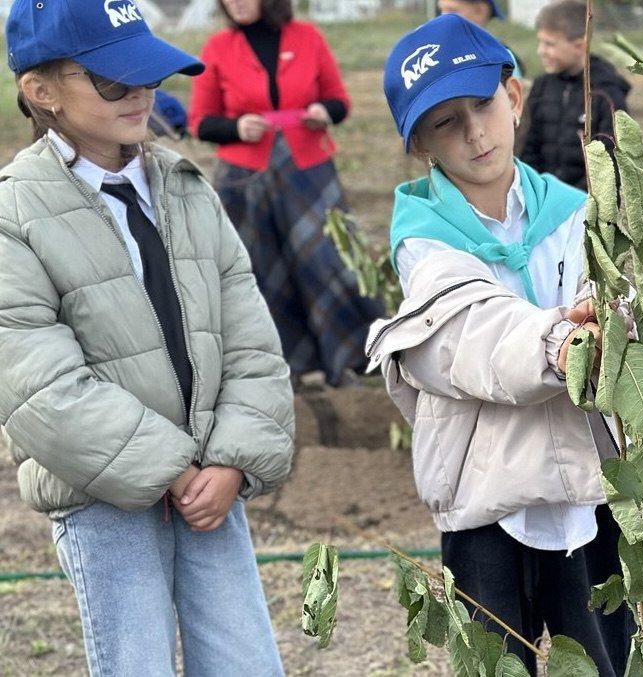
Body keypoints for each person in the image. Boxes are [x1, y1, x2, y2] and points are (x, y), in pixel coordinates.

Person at [1, 0, 294, 674]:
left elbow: (251, 340)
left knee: (247, 662)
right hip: (103, 499)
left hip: (210, 487)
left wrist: (230, 461)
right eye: (112, 80)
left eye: (148, 74)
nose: (139, 92)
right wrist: (167, 468)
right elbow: (35, 382)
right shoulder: (13, 212)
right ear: (41, 92)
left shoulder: (188, 189)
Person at [371, 14, 633, 675]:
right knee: (495, 661)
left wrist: (613, 320)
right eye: (445, 122)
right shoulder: (423, 239)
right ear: (420, 145)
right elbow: (472, 330)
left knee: (602, 656)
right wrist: (560, 342)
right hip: (484, 493)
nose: (474, 133)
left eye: (482, 106)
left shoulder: (572, 212)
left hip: (582, 487)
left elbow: (616, 301)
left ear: (513, 96)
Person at [188, 0, 382, 387]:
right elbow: (199, 122)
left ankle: (350, 358)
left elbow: (339, 101)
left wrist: (324, 113)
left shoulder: (308, 38)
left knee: (326, 262)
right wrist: (236, 128)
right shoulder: (217, 48)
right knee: (260, 272)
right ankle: (281, 368)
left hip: (308, 172)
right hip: (244, 181)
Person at [519, 0, 631, 189]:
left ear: (579, 45)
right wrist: (538, 190)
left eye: (549, 44)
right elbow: (528, 146)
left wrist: (575, 200)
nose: (541, 51)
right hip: (543, 197)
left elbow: (610, 163)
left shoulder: (606, 94)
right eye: (540, 42)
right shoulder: (541, 87)